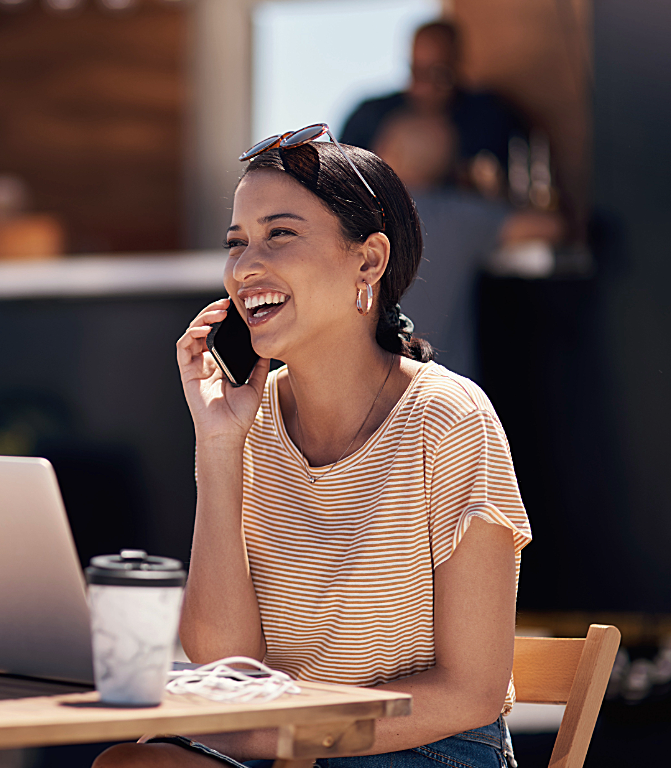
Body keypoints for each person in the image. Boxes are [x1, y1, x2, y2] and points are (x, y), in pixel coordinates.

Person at [93, 129, 531, 767]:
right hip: (280, 744)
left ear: (368, 262)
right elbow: (221, 663)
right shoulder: (250, 419)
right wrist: (218, 447)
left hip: (423, 748)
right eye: (236, 243)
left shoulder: (450, 418)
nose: (245, 267)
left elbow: (471, 695)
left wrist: (283, 738)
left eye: (281, 234)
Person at [373, 110, 563, 379]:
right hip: (444, 398)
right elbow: (553, 227)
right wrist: (494, 194)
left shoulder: (357, 217)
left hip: (362, 398)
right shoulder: (461, 216)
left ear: (388, 151)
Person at [341, 20, 523, 193]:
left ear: (458, 65)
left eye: (438, 73)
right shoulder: (369, 116)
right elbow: (340, 181)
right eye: (417, 72)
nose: (425, 86)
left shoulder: (489, 116)